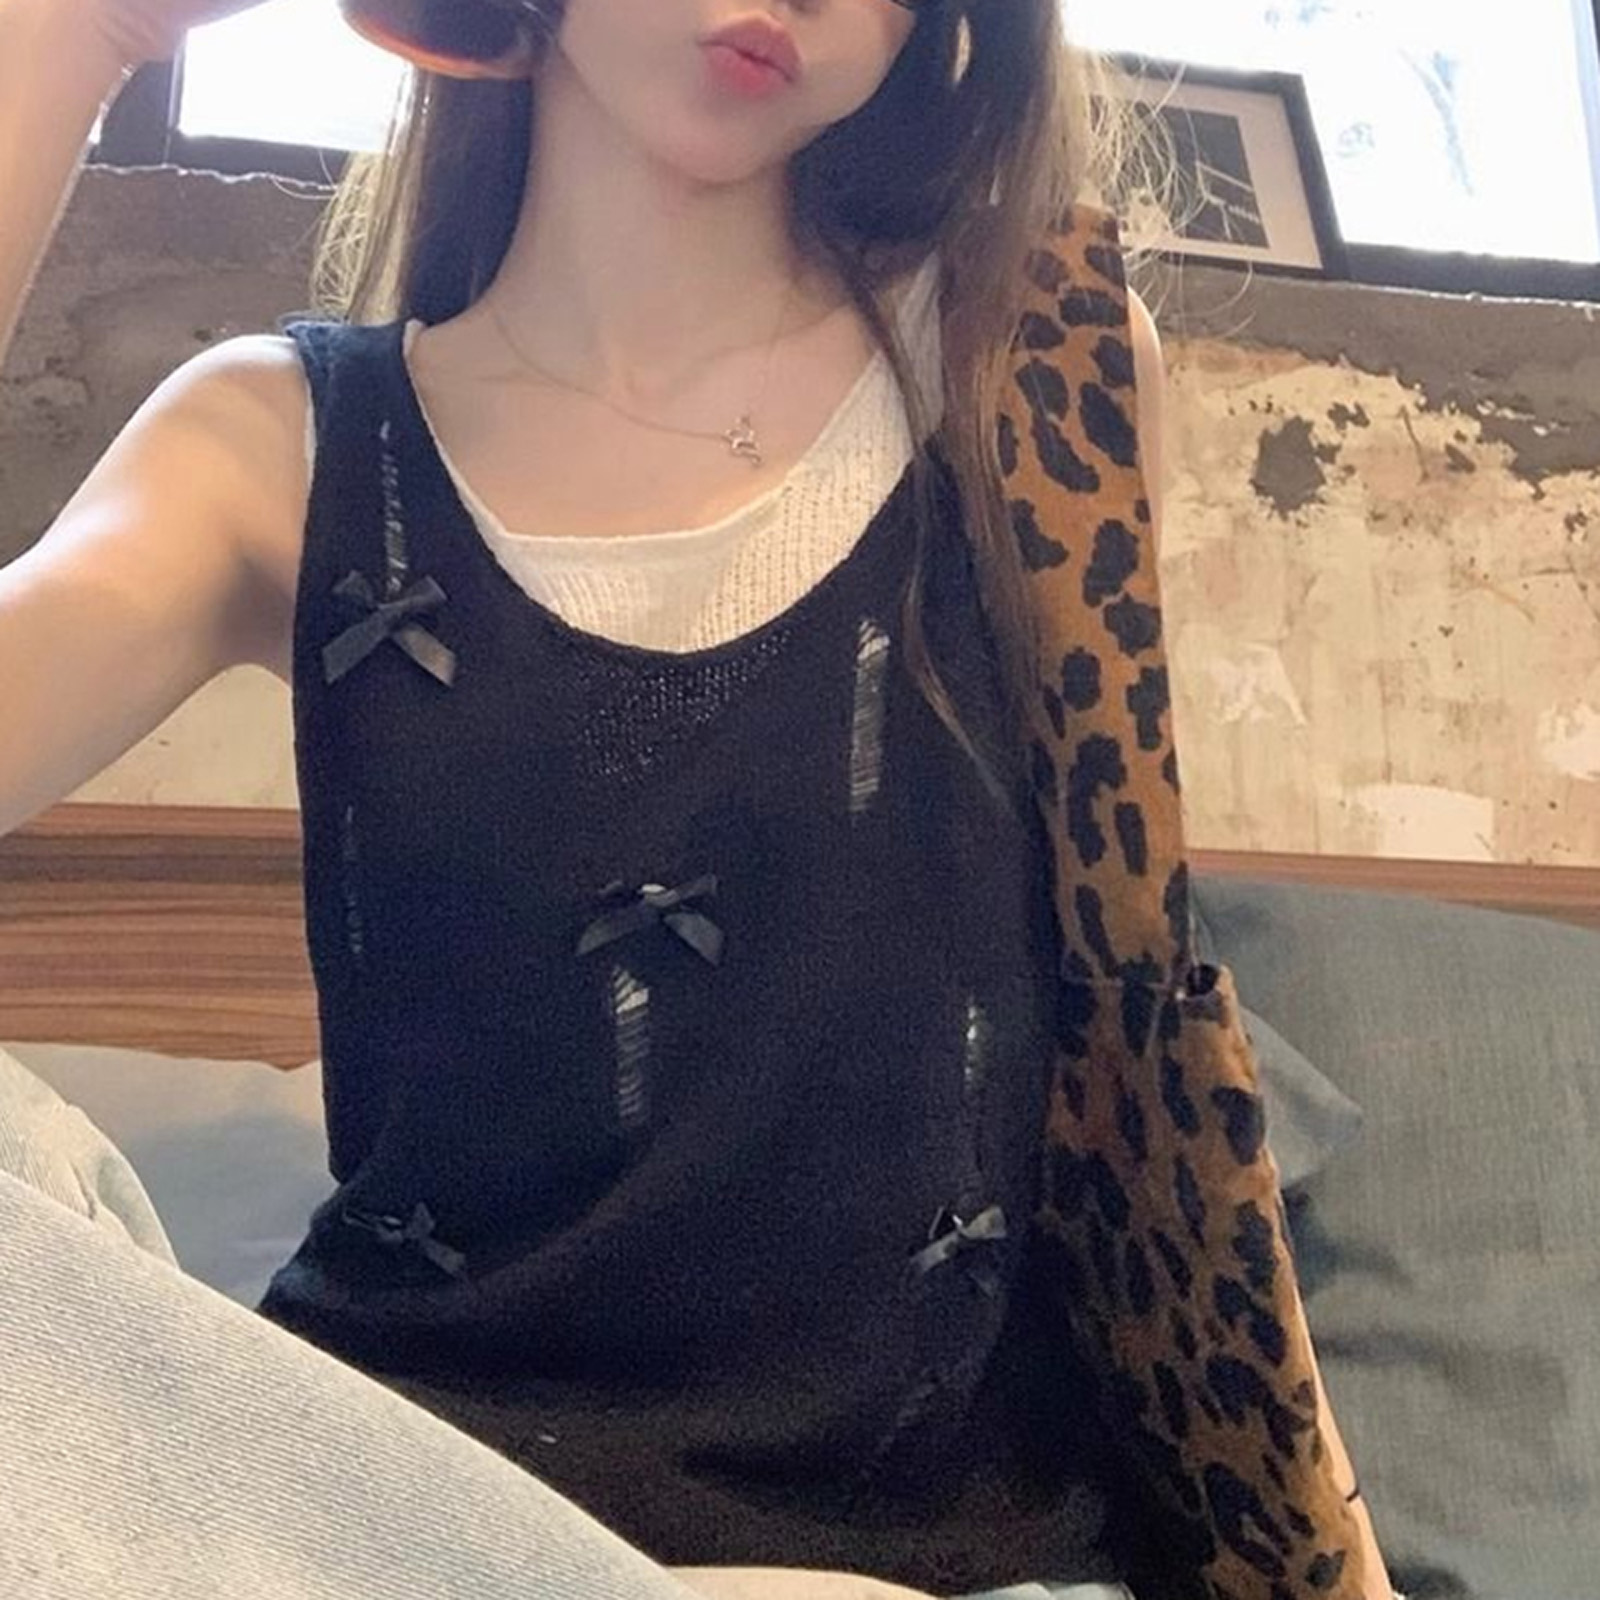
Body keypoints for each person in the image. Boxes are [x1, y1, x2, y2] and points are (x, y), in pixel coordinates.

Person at [0, 1, 1396, 1597]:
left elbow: (1136, 1015)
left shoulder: (1032, 371)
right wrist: (79, 31)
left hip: (931, 1554)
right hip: (399, 1522)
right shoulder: (282, 447)